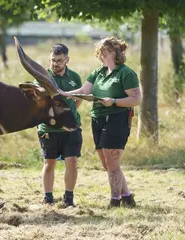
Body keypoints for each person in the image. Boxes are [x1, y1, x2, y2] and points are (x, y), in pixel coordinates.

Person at [58, 37, 142, 208]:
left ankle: (115, 201)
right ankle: (127, 197)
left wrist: (114, 101)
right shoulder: (98, 73)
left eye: (103, 52)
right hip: (98, 119)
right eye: (99, 52)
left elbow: (136, 99)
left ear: (114, 52)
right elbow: (83, 91)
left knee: (112, 164)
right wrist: (63, 93)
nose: (101, 55)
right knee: (107, 164)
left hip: (117, 119)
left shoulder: (125, 73)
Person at [37, 43, 83, 206]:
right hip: (48, 129)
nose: (55, 64)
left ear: (67, 60)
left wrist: (68, 116)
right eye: (52, 60)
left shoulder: (75, 78)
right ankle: (48, 198)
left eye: (59, 60)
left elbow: (79, 99)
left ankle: (68, 199)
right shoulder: (42, 78)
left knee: (72, 162)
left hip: (71, 128)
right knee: (49, 163)